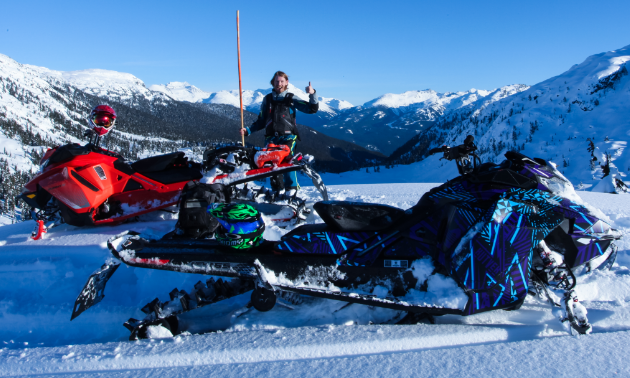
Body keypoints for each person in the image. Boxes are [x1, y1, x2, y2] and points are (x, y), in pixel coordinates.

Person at [240, 71, 318, 194]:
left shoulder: (291, 98)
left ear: (287, 82)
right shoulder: (267, 99)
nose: (279, 84)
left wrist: (312, 94)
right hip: (271, 139)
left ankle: (291, 192)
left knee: (288, 162)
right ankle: (277, 193)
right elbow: (261, 120)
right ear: (273, 82)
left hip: (288, 137)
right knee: (272, 167)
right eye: (277, 81)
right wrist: (248, 131)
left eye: (282, 81)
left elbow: (312, 109)